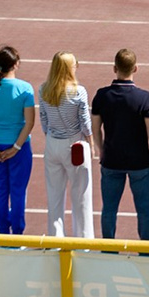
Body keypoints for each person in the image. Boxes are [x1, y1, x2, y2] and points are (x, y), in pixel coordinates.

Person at [90, 48, 149, 240]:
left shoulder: (102, 95)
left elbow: (95, 128)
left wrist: (101, 150)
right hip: (139, 162)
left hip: (111, 160)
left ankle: (108, 249)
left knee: (109, 209)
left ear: (115, 68)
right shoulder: (144, 97)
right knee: (144, 209)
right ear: (135, 68)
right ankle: (148, 250)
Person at [0, 46, 37, 235]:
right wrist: (16, 147)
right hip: (19, 148)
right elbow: (29, 122)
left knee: (0, 191)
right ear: (16, 64)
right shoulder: (25, 89)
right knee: (18, 191)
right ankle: (17, 234)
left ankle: (3, 233)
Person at [33, 51, 92, 238]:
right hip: (74, 143)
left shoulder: (44, 90)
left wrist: (51, 137)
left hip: (52, 143)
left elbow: (43, 118)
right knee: (81, 196)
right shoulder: (78, 91)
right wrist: (91, 143)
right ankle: (84, 242)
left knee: (54, 196)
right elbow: (85, 122)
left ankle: (56, 239)